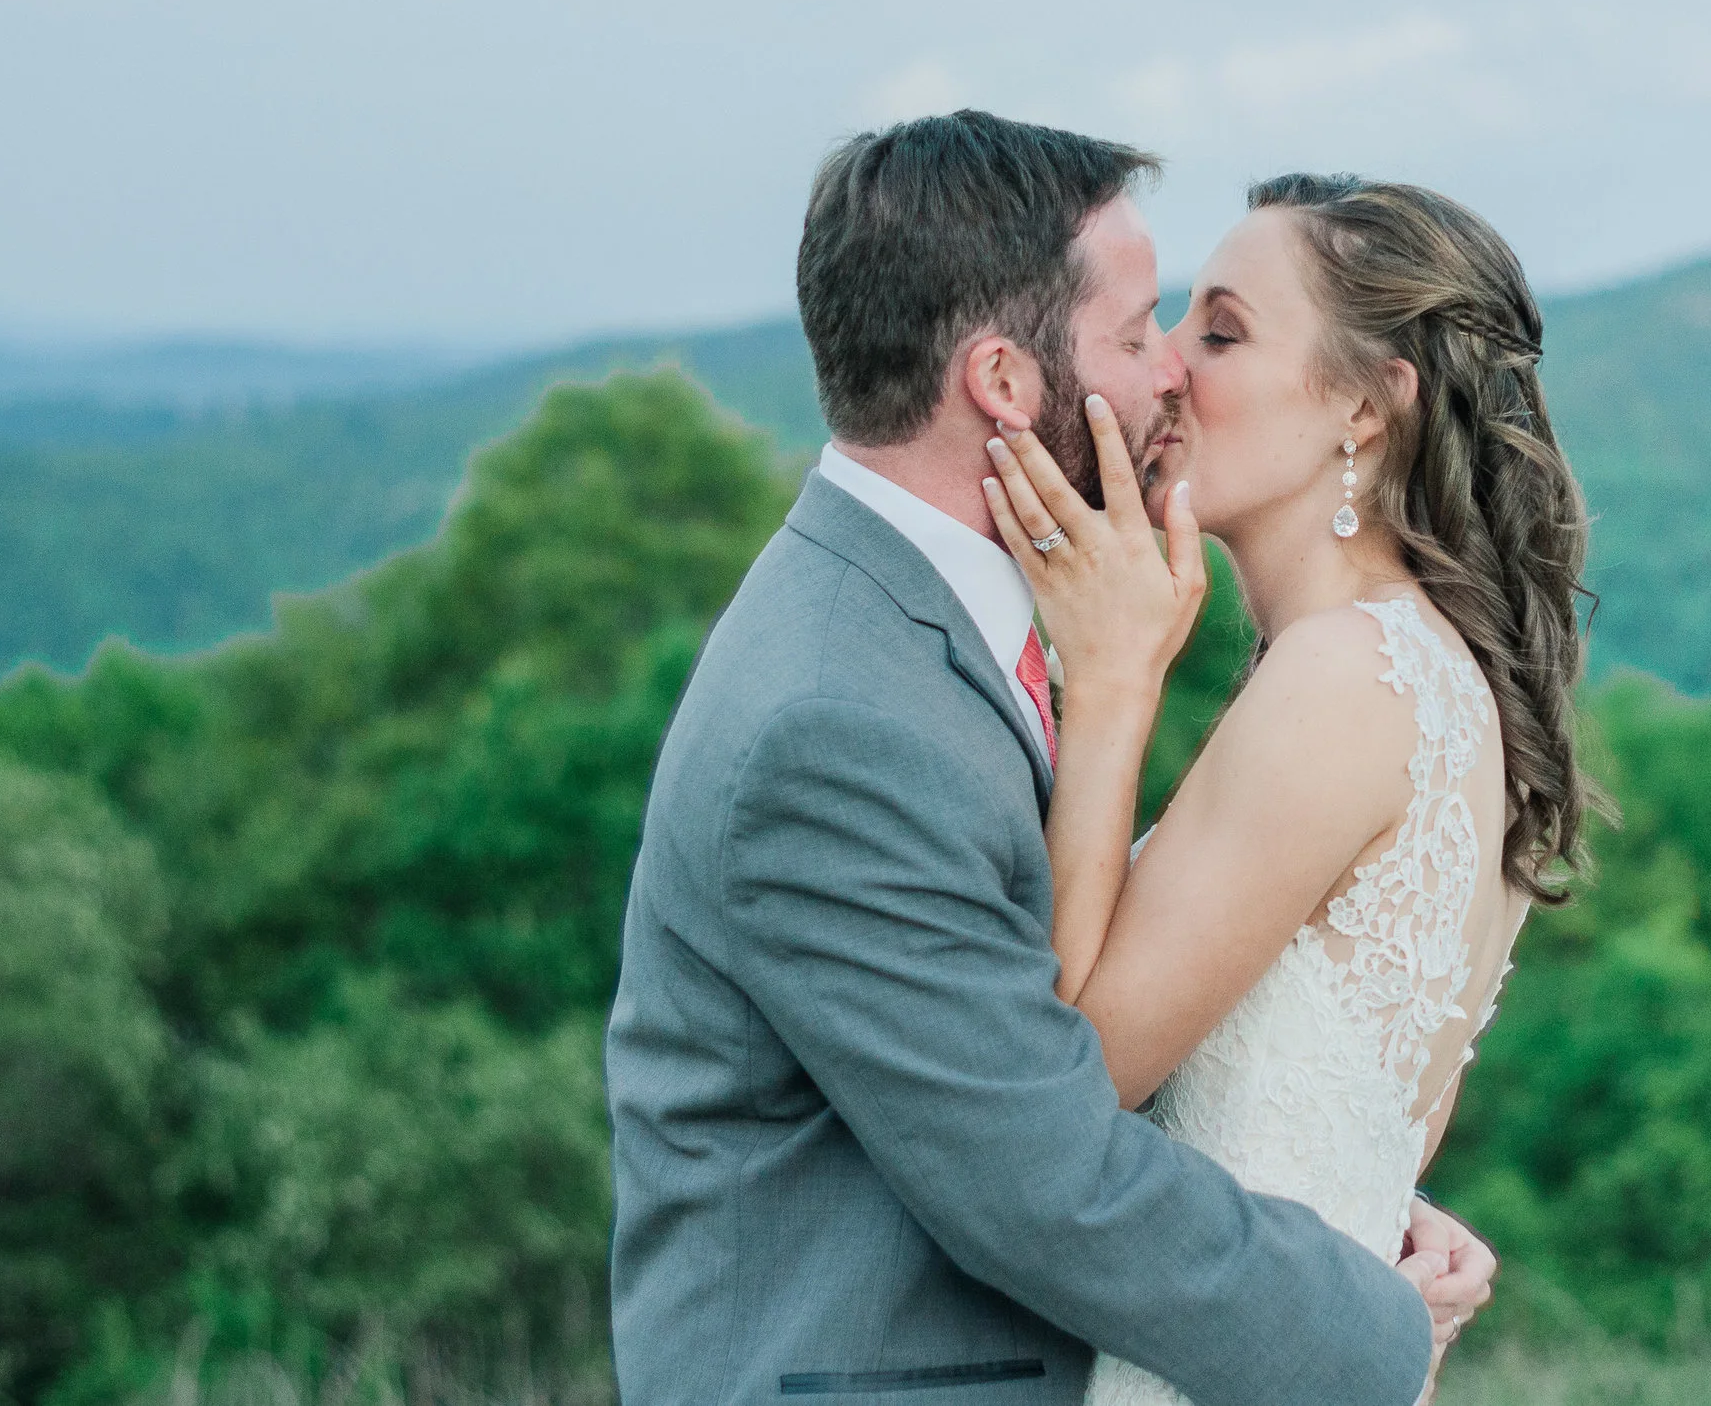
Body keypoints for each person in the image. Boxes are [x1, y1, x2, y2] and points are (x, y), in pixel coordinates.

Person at [605, 113, 1492, 1406]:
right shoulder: (835, 722)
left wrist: (1339, 1189)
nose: (1168, 374)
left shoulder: (906, 621)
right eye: (1138, 334)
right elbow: (1045, 1174)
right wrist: (1367, 1318)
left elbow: (1022, 1034)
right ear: (1006, 383)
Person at [976, 173, 1606, 1406]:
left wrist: (1107, 686)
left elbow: (1069, 1078)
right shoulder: (1433, 676)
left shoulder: (1343, 679)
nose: (1163, 366)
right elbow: (1354, 1135)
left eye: (1218, 330)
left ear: (1366, 407)